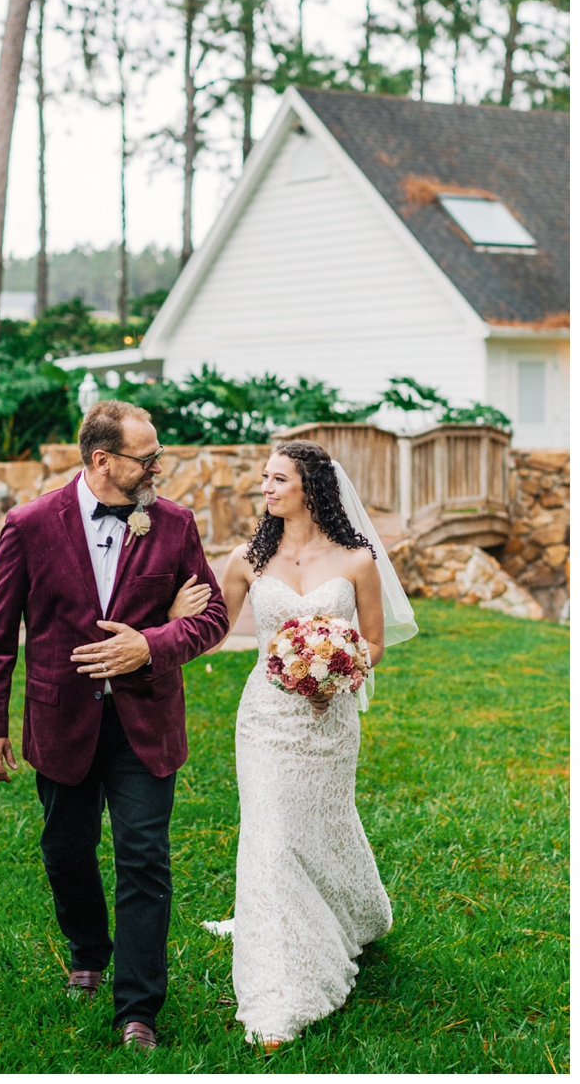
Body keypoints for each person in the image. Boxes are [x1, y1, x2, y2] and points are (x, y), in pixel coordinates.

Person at [0, 400, 229, 1051]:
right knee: (66, 848)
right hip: (61, 720)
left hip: (148, 721)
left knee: (144, 859)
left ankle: (137, 1010)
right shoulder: (29, 525)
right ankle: (88, 949)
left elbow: (213, 616)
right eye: (146, 457)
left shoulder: (174, 523)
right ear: (102, 459)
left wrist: (152, 643)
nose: (157, 466)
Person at [182, 440, 417, 1050]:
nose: (265, 487)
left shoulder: (359, 560)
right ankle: (282, 989)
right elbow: (208, 631)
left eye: (277, 478)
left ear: (309, 488)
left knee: (321, 821)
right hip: (265, 719)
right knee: (271, 835)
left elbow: (374, 642)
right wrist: (170, 616)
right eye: (264, 478)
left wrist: (336, 674)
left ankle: (353, 911)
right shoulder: (246, 560)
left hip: (331, 723)